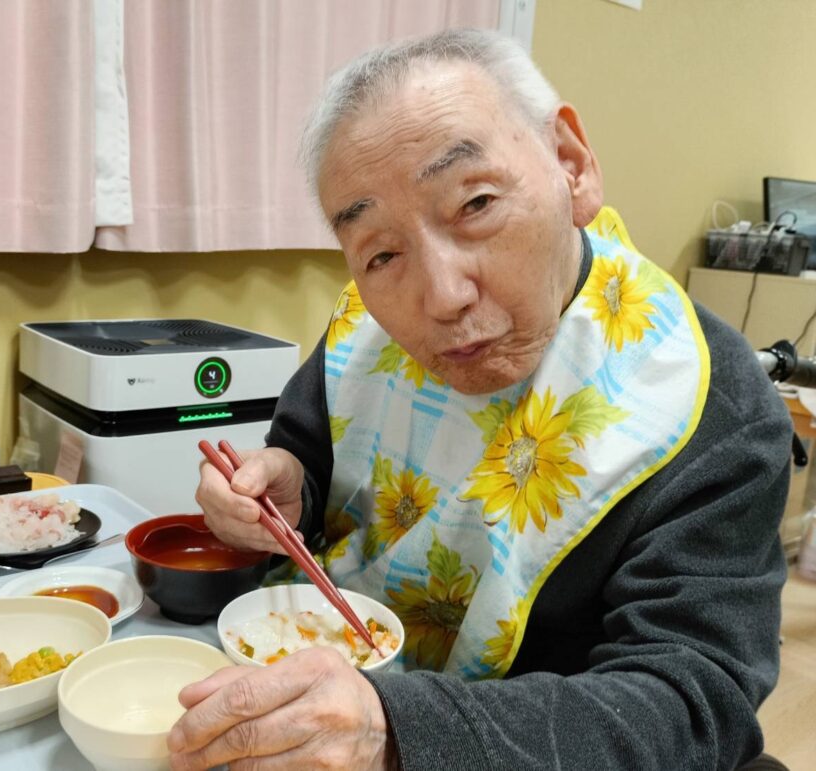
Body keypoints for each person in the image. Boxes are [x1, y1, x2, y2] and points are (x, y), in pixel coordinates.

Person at [167, 28, 792, 771]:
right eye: (381, 252)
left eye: (477, 203)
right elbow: (310, 453)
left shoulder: (708, 401)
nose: (441, 296)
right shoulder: (364, 328)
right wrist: (285, 492)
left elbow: (693, 703)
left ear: (571, 164)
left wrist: (394, 732)